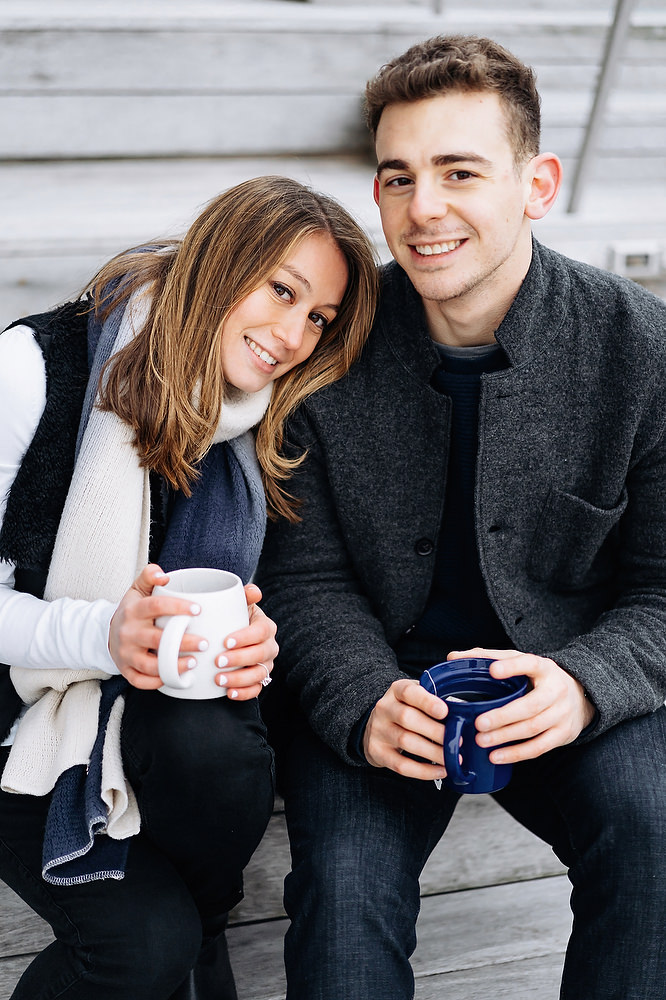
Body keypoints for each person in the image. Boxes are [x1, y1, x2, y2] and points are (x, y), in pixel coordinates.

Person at [257, 36, 666, 1000]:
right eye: (398, 177)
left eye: (459, 171)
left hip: (571, 678)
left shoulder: (639, 348)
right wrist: (362, 700)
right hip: (385, 683)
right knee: (343, 895)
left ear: (538, 183)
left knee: (655, 838)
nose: (423, 208)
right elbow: (305, 577)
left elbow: (660, 586)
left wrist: (585, 684)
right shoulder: (331, 343)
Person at [0, 174, 378, 1000]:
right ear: (219, 262)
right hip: (18, 727)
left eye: (317, 318)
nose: (291, 335)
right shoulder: (35, 371)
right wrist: (101, 634)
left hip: (153, 725)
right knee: (143, 949)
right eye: (281, 290)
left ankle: (206, 921)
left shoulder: (264, 419)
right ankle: (194, 940)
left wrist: (257, 641)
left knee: (212, 743)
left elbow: (284, 591)